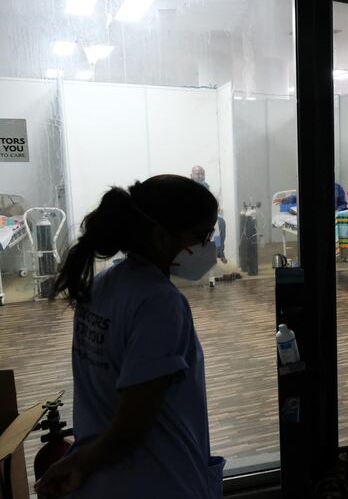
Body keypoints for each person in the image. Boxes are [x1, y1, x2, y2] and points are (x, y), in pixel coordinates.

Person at [35, 175, 225, 498]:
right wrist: (76, 463)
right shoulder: (159, 303)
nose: (207, 248)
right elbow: (131, 426)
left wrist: (80, 463)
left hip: (104, 483)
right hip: (155, 481)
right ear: (162, 235)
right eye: (200, 237)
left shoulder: (105, 285)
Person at [191, 166, 227, 265]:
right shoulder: (187, 188)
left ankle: (219, 252)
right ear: (191, 176)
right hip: (191, 218)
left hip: (207, 217)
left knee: (220, 223)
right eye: (197, 174)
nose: (200, 176)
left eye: (202, 174)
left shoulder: (208, 188)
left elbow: (216, 204)